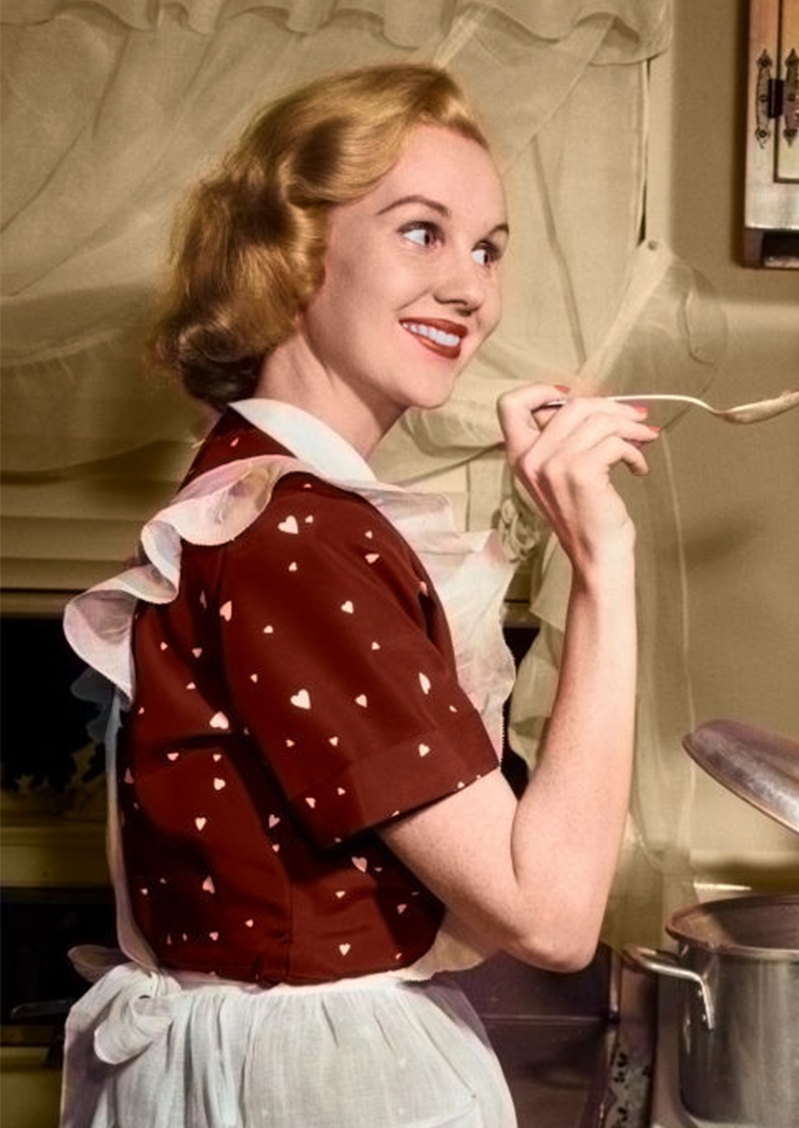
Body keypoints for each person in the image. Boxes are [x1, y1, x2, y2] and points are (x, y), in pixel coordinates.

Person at [58, 63, 658, 1127]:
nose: (472, 287)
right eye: (421, 231)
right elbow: (554, 918)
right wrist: (602, 560)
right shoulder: (297, 538)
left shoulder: (251, 502)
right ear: (291, 261)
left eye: (488, 248)